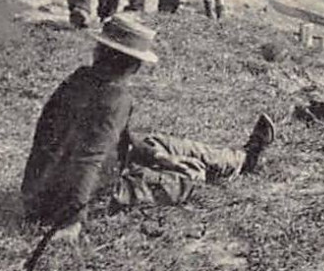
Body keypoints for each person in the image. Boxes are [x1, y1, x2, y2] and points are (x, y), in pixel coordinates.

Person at [21, 14, 276, 234]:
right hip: (74, 197)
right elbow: (88, 160)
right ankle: (213, 171)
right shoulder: (115, 99)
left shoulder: (79, 79)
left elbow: (117, 141)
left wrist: (160, 157)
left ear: (98, 52)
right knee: (185, 183)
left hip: (41, 189)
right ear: (135, 65)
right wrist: (72, 221)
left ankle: (239, 159)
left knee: (157, 144)